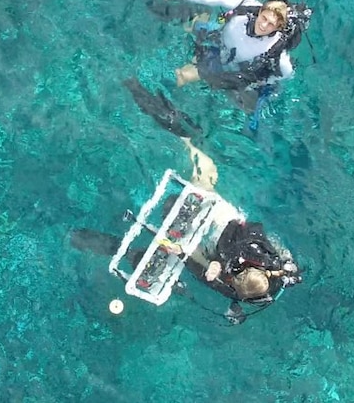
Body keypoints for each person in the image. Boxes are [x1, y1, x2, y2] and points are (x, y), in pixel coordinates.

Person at [70, 79, 302, 324]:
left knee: (154, 253)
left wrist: (189, 256)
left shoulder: (232, 288)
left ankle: (95, 242)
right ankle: (152, 104)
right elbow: (268, 241)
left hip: (210, 248)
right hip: (226, 223)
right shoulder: (273, 261)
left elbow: (200, 270)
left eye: (236, 275)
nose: (238, 270)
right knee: (197, 174)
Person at [162, 0, 312, 112]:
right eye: (264, 18)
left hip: (238, 69)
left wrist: (262, 84)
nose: (264, 25)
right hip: (220, 41)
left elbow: (287, 74)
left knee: (245, 106)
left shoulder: (276, 51)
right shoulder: (247, 6)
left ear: (278, 27)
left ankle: (168, 99)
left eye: (271, 24)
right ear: (260, 11)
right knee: (196, 28)